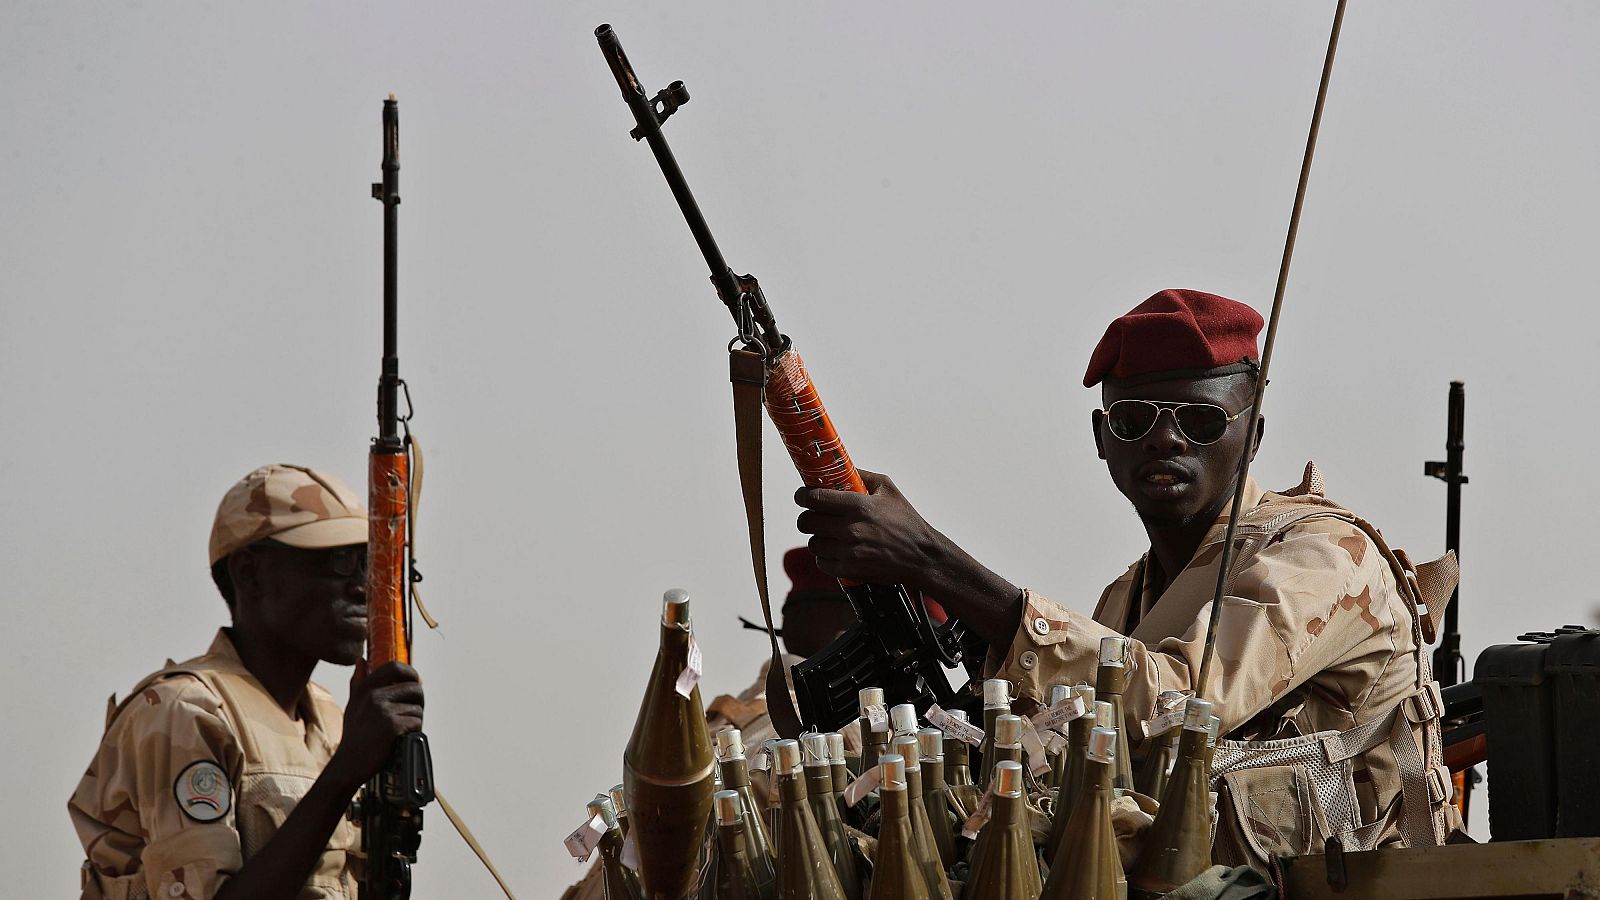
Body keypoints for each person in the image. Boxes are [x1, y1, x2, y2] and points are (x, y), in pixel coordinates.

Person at [794, 289, 1459, 856]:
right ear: (1101, 440)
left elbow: (1186, 703)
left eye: (1199, 420)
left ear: (1252, 436)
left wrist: (932, 561)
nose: (1165, 440)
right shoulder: (1127, 601)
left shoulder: (1323, 557)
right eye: (1134, 419)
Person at [69, 464, 425, 899]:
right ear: (249, 573)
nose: (362, 587)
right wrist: (346, 771)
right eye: (338, 561)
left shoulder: (331, 720)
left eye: (368, 564)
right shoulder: (185, 711)